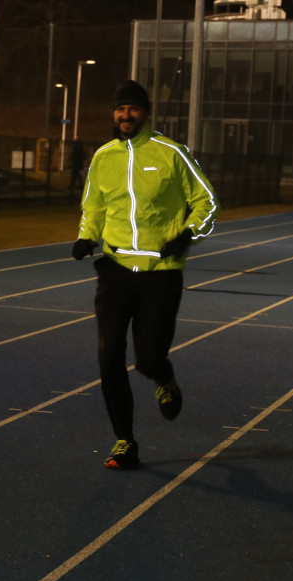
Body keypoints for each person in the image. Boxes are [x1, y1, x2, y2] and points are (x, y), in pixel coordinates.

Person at [71, 80, 220, 470]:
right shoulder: (103, 157)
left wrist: (187, 235)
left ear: (145, 112)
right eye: (120, 109)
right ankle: (125, 441)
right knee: (108, 357)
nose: (125, 115)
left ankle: (164, 377)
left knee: (149, 359)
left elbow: (207, 201)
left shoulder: (172, 153)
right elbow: (94, 206)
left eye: (133, 108)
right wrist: (86, 238)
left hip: (161, 273)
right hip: (116, 271)